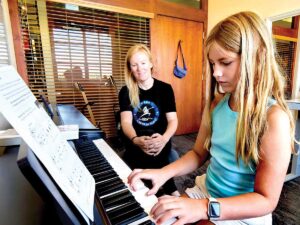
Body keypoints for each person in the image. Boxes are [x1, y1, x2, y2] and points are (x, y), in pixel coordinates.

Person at [127, 11, 297, 225]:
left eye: (225, 62)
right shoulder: (217, 104)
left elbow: (265, 200)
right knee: (158, 218)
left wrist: (202, 208)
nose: (216, 72)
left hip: (244, 209)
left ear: (256, 57)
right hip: (207, 191)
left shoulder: (274, 119)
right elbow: (198, 153)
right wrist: (163, 173)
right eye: (212, 63)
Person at [118, 44, 180, 196]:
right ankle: (168, 191)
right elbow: (125, 122)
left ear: (151, 63)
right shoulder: (125, 91)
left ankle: (164, 191)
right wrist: (135, 139)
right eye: (134, 65)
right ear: (130, 68)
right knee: (145, 157)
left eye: (143, 63)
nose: (140, 68)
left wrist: (164, 139)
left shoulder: (165, 89)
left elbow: (173, 120)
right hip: (137, 143)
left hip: (160, 142)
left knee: (156, 152)